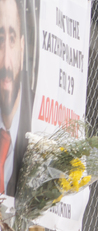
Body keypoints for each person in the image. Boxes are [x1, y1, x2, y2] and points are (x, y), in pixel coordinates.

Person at [0, 0, 30, 197]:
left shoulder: (36, 120)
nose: (6, 61)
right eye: (0, 40)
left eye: (11, 39)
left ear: (22, 46)